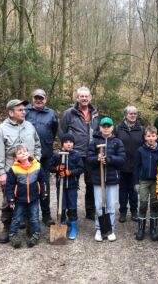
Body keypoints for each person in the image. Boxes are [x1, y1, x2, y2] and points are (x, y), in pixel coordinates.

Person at [0, 99, 41, 243]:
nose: (24, 112)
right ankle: (7, 228)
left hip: (30, 172)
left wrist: (36, 160)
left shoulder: (30, 126)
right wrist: (1, 173)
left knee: (30, 199)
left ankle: (30, 227)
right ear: (10, 112)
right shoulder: (1, 129)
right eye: (20, 110)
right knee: (9, 201)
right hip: (11, 172)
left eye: (24, 109)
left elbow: (37, 144)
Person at [60, 87, 99, 220]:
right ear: (77, 98)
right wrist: (67, 148)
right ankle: (69, 213)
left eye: (86, 96)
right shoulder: (69, 113)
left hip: (90, 154)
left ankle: (90, 211)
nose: (84, 98)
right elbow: (62, 132)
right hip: (74, 154)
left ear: (90, 98)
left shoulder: (95, 113)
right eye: (81, 96)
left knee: (90, 183)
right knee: (70, 183)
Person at [87, 117, 126, 242]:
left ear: (112, 128)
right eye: (104, 126)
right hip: (98, 179)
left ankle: (110, 229)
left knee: (110, 206)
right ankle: (99, 229)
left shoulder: (117, 142)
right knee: (99, 205)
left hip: (112, 178)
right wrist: (96, 159)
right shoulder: (94, 142)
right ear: (100, 128)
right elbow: (89, 159)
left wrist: (109, 159)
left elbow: (122, 159)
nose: (106, 128)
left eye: (108, 126)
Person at [25, 88, 58, 226]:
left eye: (41, 98)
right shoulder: (25, 111)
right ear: (33, 99)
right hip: (28, 157)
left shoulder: (51, 113)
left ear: (45, 99)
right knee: (28, 185)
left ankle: (46, 215)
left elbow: (54, 130)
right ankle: (27, 217)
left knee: (44, 185)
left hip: (46, 155)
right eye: (36, 98)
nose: (38, 100)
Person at [6, 145, 47, 248]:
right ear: (16, 158)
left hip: (34, 199)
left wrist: (44, 191)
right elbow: (10, 185)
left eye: (25, 151)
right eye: (20, 153)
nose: (23, 153)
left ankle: (36, 234)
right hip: (19, 200)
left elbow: (43, 180)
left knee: (34, 218)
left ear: (28, 153)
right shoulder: (14, 169)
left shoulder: (37, 165)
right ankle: (12, 235)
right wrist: (10, 199)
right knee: (16, 218)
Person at [50, 133, 84, 240]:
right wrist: (57, 168)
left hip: (72, 186)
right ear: (62, 143)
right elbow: (50, 167)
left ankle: (73, 227)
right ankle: (62, 225)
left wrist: (70, 172)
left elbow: (81, 169)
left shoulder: (77, 155)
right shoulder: (57, 155)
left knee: (72, 206)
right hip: (61, 186)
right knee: (62, 206)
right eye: (66, 142)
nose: (68, 144)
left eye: (70, 142)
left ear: (73, 144)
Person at [133, 126, 158, 241]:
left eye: (153, 136)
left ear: (157, 136)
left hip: (156, 181)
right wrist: (136, 182)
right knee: (143, 204)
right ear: (145, 137)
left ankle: (153, 229)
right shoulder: (140, 150)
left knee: (154, 204)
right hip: (144, 181)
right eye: (148, 136)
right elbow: (136, 167)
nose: (151, 138)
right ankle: (141, 229)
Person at [115, 106, 144, 223]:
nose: (132, 115)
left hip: (136, 165)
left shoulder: (141, 129)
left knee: (134, 190)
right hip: (121, 165)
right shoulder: (118, 129)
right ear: (125, 115)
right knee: (122, 190)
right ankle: (122, 211)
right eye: (130, 113)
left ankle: (134, 211)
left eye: (135, 113)